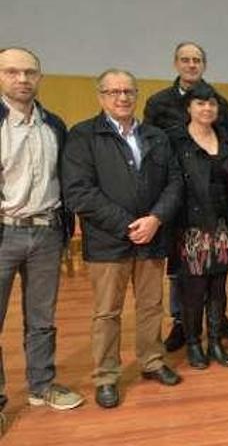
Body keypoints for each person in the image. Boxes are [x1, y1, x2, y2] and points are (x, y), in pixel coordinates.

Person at [63, 69, 183, 408]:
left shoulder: (156, 136)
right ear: (100, 96)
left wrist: (156, 218)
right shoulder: (83, 135)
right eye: (114, 91)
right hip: (108, 242)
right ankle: (106, 376)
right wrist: (130, 224)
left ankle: (152, 361)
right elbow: (79, 192)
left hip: (152, 238)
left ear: (136, 95)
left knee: (150, 306)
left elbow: (174, 182)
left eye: (128, 91)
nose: (122, 97)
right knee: (106, 313)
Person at [0, 47, 84, 414]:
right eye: (12, 72)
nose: (22, 79)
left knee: (41, 319)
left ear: (40, 77)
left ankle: (41, 384)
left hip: (47, 233)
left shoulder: (55, 125)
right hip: (3, 233)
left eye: (30, 72)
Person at [144, 42, 228, 353]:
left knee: (215, 276)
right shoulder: (158, 102)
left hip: (216, 208)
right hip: (182, 204)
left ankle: (216, 324)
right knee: (185, 275)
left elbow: (227, 148)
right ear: (176, 64)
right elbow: (153, 152)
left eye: (197, 60)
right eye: (185, 60)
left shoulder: (221, 102)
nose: (191, 65)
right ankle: (182, 325)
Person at [168, 81, 228, 368]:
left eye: (211, 103)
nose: (207, 108)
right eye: (200, 103)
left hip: (222, 226)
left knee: (218, 289)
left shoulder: (224, 138)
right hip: (191, 228)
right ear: (188, 108)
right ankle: (193, 344)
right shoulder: (177, 140)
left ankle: (215, 342)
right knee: (193, 291)